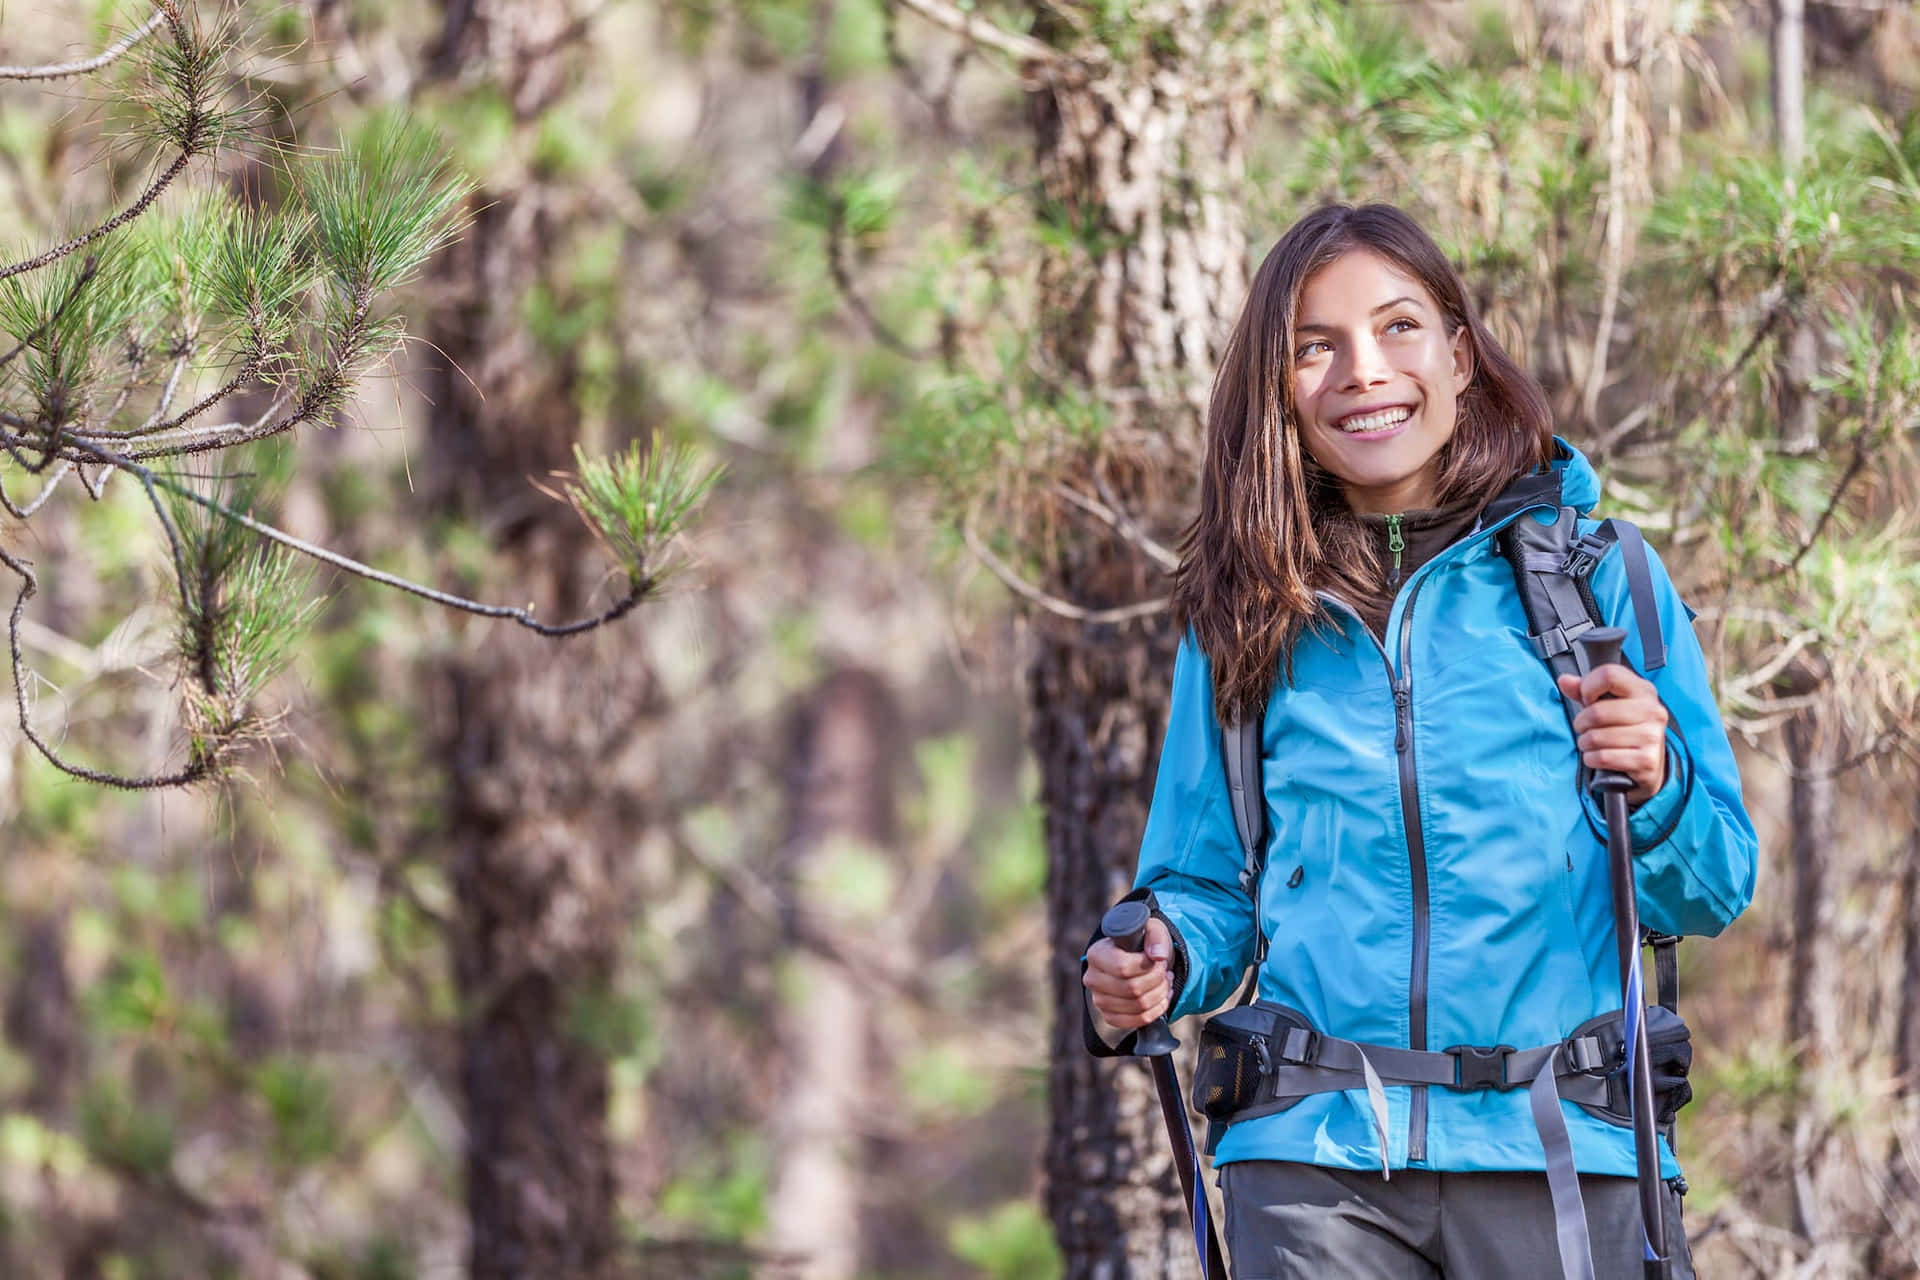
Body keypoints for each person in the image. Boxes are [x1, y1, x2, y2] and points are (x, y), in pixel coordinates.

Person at [1081, 203, 1757, 1279]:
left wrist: (1659, 779)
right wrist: (1157, 955)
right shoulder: (1248, 611)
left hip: (1563, 1154)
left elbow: (1714, 885)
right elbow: (1206, 884)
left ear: (1458, 348)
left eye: (1399, 327)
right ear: (1279, 388)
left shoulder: (1599, 579)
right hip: (1315, 1164)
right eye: (1316, 345)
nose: (1364, 369)